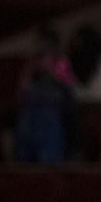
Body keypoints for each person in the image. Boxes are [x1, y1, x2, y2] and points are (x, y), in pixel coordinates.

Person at [14, 27, 77, 164]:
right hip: (31, 113)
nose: (42, 49)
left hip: (53, 113)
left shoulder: (61, 63)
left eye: (46, 45)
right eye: (39, 45)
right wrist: (31, 73)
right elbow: (21, 92)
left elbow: (70, 88)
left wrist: (53, 72)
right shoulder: (32, 64)